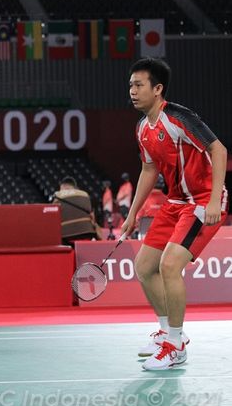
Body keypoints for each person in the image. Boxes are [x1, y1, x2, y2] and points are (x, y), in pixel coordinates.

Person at [122, 57, 227, 370]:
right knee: (143, 266)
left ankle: (175, 345)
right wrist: (131, 215)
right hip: (175, 202)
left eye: (139, 85)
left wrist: (212, 201)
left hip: (202, 201)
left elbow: (218, 150)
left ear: (158, 89)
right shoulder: (143, 129)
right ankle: (167, 332)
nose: (132, 90)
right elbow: (147, 170)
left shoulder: (179, 117)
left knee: (169, 265)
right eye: (130, 85)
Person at [51, 176, 98, 245]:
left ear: (63, 187)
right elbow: (92, 216)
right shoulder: (85, 194)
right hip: (88, 233)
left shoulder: (57, 197)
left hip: (66, 237)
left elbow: (53, 221)